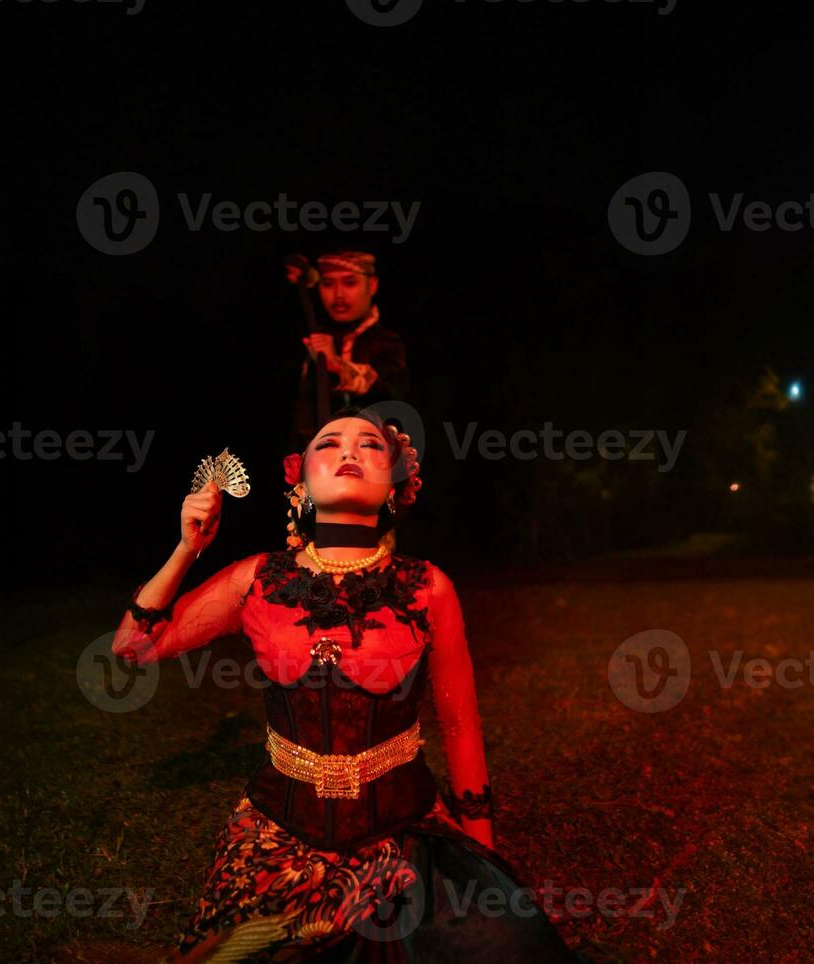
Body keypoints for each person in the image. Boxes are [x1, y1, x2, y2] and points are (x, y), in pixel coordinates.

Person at [113, 408, 581, 962]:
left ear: (395, 485)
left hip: (403, 830)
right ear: (302, 480)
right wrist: (188, 547)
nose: (350, 452)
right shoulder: (258, 579)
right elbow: (133, 648)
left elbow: (458, 723)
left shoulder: (428, 586)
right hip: (276, 833)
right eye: (329, 443)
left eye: (371, 445)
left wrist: (483, 861)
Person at [286, 251, 411, 449]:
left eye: (350, 283)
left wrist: (336, 365)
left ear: (372, 285)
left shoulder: (388, 341)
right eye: (327, 284)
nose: (338, 295)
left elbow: (392, 388)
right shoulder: (314, 336)